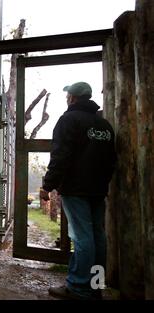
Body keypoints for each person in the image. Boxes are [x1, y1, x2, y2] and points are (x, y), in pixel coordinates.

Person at [40, 82, 116, 300]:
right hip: (98, 190)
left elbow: (60, 157)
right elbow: (111, 160)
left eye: (67, 95)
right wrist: (103, 183)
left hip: (76, 188)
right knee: (98, 237)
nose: (66, 99)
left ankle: (79, 288)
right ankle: (95, 285)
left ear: (72, 98)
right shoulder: (104, 125)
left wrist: (47, 186)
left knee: (82, 238)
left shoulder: (68, 120)